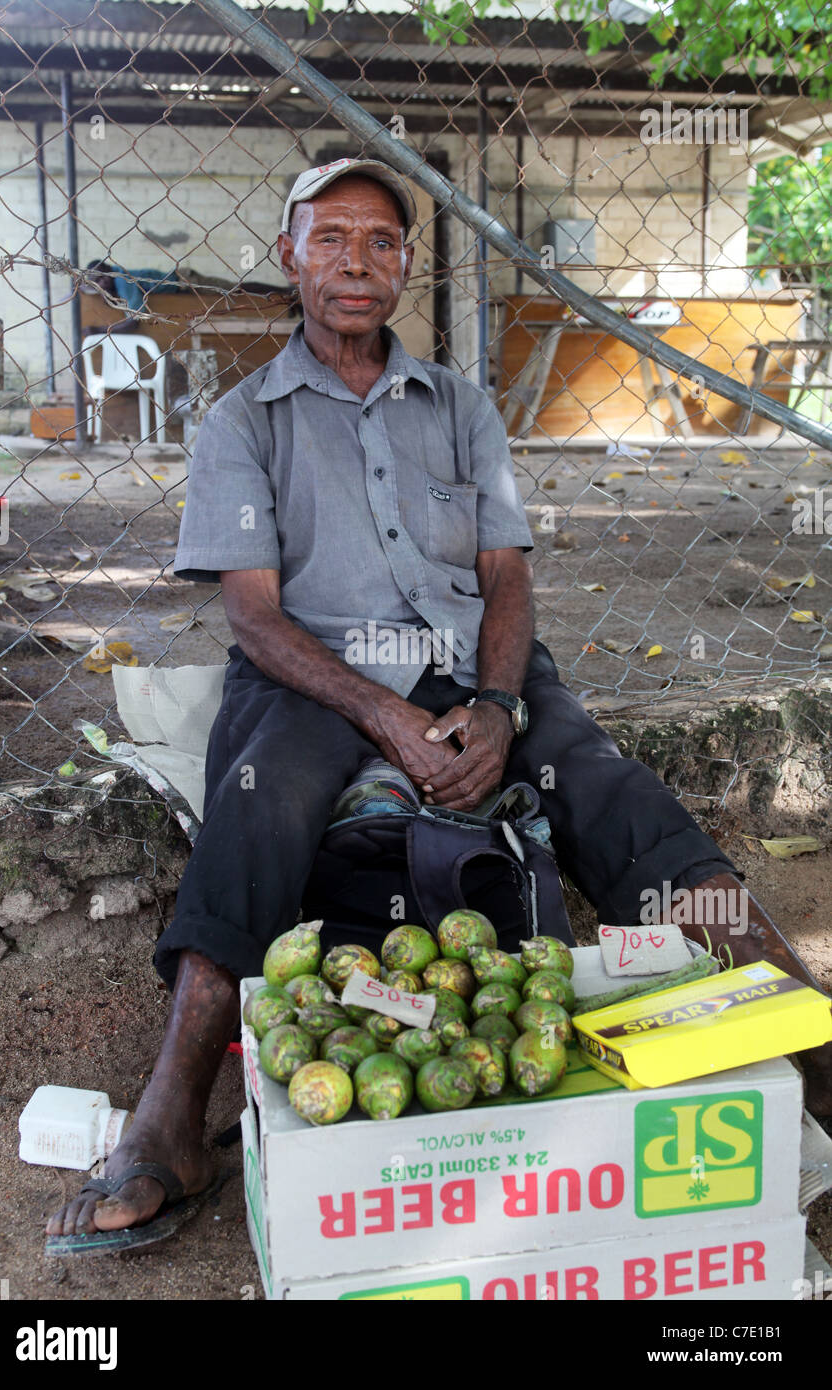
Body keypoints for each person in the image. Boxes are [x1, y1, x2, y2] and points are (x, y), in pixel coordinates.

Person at [47, 157, 832, 1244]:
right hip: (310, 672)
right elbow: (256, 621)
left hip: (470, 665)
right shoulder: (241, 423)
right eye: (329, 239)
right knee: (260, 799)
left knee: (605, 786)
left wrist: (501, 705)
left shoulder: (461, 408)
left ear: (406, 264)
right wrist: (382, 715)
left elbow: (507, 579)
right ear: (288, 256)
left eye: (379, 241)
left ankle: (806, 1032)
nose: (355, 262)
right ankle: (172, 1115)